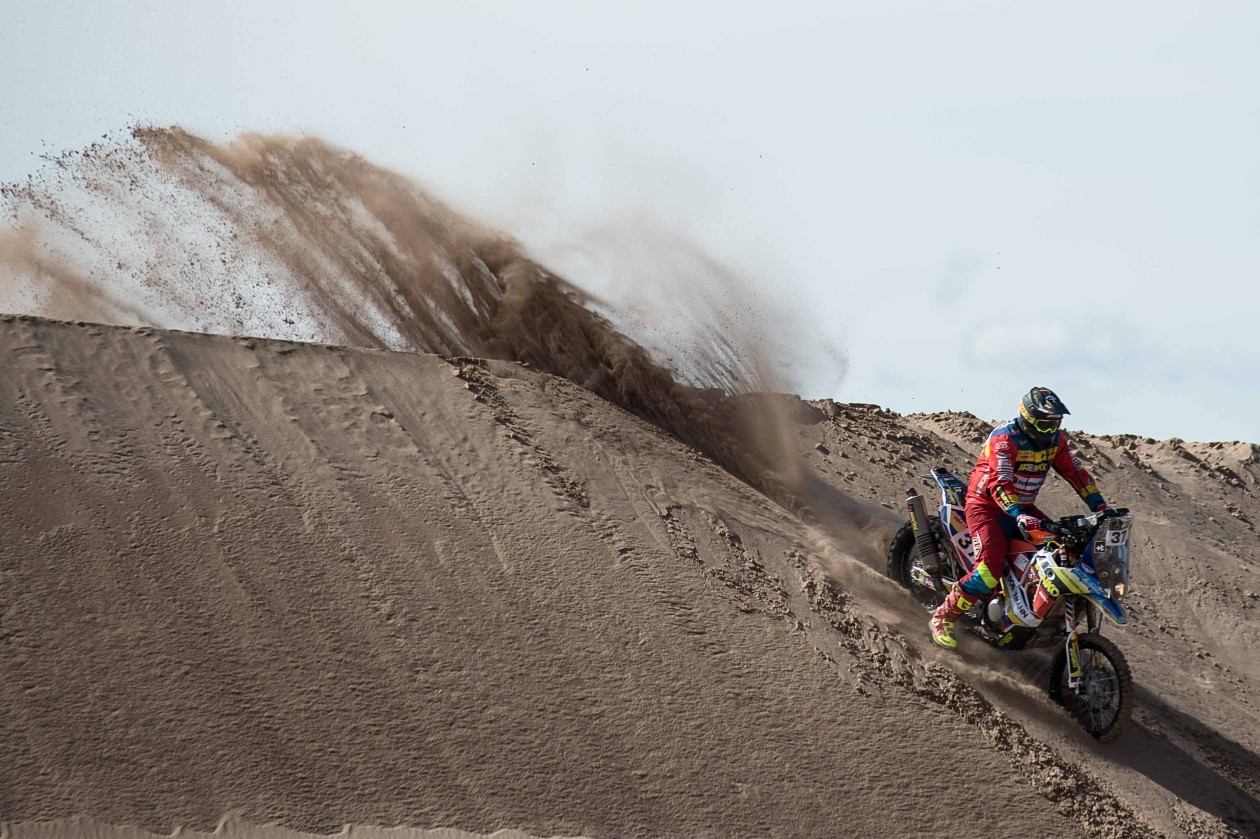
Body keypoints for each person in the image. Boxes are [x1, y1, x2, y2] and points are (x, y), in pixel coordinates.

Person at [930, 386, 1110, 650]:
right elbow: (999, 485)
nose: (1050, 430)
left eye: (1055, 423)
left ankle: (1023, 609)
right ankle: (943, 616)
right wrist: (1020, 515)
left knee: (1060, 551)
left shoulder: (1056, 441)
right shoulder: (1004, 440)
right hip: (987, 507)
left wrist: (1101, 506)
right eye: (1044, 424)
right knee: (988, 571)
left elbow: (1077, 474)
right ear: (1027, 418)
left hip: (1022, 507)